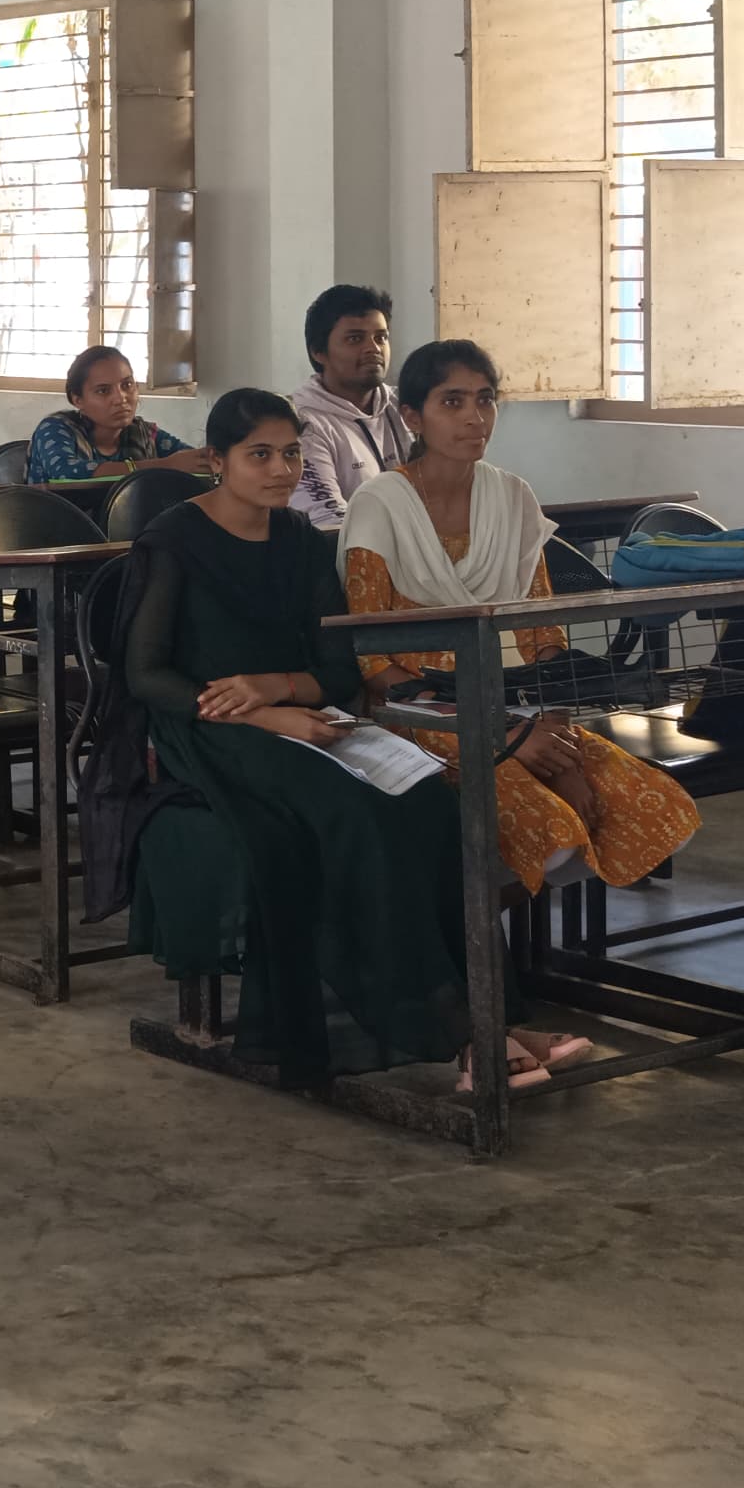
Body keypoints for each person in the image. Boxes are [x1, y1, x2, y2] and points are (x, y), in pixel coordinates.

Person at [120, 389, 577, 1093]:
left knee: (428, 802)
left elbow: (338, 668)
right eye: (260, 455)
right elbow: (147, 674)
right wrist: (265, 715)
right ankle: (466, 1034)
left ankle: (495, 1016)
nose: (281, 470)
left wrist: (280, 689)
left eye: (291, 454)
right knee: (353, 816)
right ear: (217, 460)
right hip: (209, 729)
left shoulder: (301, 541)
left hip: (304, 715)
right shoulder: (173, 542)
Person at [339, 338, 701, 898]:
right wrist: (502, 733)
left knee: (649, 806)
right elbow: (373, 663)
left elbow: (541, 638)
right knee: (552, 827)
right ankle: (480, 936)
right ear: (412, 416)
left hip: (518, 702)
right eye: (453, 402)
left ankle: (515, 930)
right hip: (417, 714)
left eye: (485, 399)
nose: (475, 417)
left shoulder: (512, 498)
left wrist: (552, 731)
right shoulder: (379, 505)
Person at [290, 285, 409, 529]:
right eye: (355, 339)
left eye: (381, 337)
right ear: (318, 352)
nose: (373, 348)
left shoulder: (405, 405)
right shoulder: (300, 422)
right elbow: (329, 522)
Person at [26, 345, 198, 484]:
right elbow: (66, 473)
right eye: (103, 391)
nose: (120, 398)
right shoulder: (55, 428)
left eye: (127, 385)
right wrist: (166, 465)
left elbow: (192, 459)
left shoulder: (144, 434)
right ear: (78, 400)